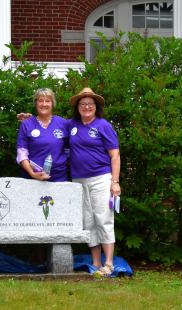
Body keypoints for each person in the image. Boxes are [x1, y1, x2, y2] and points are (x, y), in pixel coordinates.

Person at [68, 87, 121, 277]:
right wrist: (29, 121)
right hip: (79, 180)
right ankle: (96, 263)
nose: (87, 107)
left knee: (103, 219)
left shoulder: (103, 125)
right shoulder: (72, 125)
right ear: (78, 107)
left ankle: (108, 264)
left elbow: (115, 155)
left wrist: (115, 182)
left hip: (101, 179)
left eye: (90, 104)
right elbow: (51, 127)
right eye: (83, 104)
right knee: (88, 221)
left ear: (96, 106)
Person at [16, 88, 69, 182]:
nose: (44, 104)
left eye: (48, 101)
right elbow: (22, 153)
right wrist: (32, 173)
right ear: (36, 103)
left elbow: (70, 148)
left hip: (59, 178)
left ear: (52, 104)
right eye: (40, 101)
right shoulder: (27, 124)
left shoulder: (63, 123)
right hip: (32, 178)